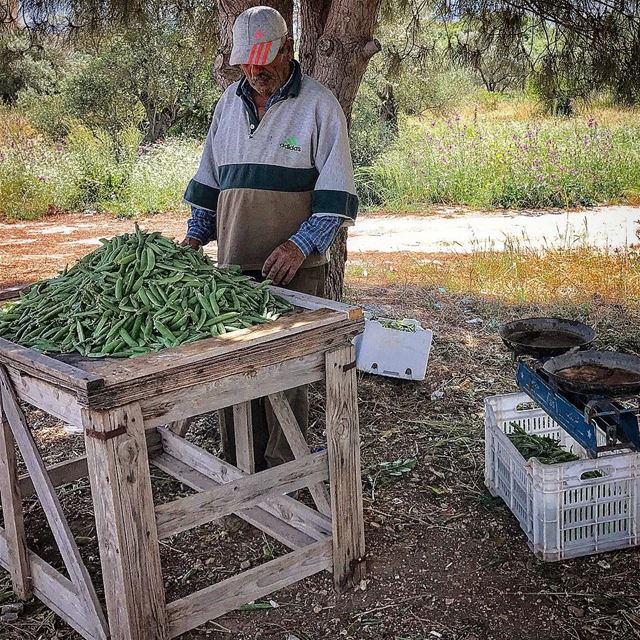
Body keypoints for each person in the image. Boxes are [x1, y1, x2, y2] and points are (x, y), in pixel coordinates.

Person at [182, 5, 358, 470]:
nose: (257, 71)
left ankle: (285, 468)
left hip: (294, 270)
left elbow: (335, 196)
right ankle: (239, 462)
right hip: (234, 264)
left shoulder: (319, 105)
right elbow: (210, 182)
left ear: (289, 49)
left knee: (285, 373)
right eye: (248, 62)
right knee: (232, 369)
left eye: (266, 60)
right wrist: (195, 237)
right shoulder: (227, 105)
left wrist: (299, 244)